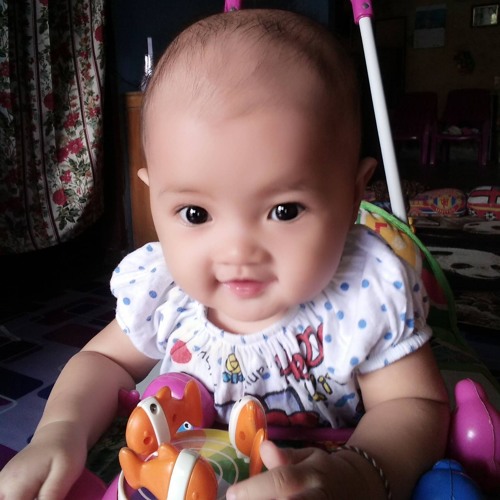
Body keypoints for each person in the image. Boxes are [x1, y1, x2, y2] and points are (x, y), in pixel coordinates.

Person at [0, 8, 450, 500]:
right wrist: (60, 430)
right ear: (153, 198)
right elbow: (102, 360)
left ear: (352, 196)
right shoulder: (167, 292)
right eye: (195, 214)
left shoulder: (362, 290)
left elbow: (415, 403)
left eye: (284, 210)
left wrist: (361, 473)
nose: (237, 251)